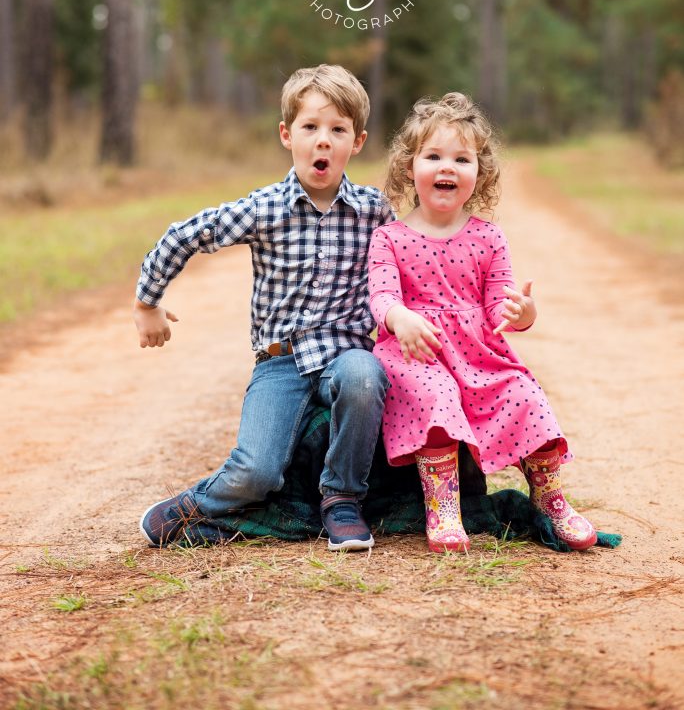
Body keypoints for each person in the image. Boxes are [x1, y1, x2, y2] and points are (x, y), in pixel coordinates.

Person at [134, 65, 392, 551]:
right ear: (286, 134)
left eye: (337, 130)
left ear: (356, 142)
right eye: (310, 128)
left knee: (365, 376)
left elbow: (415, 260)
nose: (323, 142)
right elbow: (185, 235)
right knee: (257, 470)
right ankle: (197, 504)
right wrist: (148, 300)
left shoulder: (375, 210)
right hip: (282, 361)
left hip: (345, 355)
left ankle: (341, 500)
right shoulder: (264, 208)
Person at [368, 92, 597, 554]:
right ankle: (443, 505)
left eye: (461, 158)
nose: (446, 167)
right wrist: (399, 317)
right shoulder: (389, 237)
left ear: (480, 171)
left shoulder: (489, 237)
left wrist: (523, 314)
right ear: (409, 167)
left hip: (476, 354)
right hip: (417, 352)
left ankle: (549, 497)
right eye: (433, 156)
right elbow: (381, 295)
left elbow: (499, 308)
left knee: (524, 393)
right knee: (437, 395)